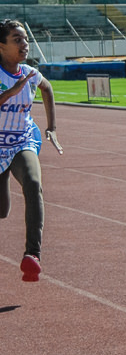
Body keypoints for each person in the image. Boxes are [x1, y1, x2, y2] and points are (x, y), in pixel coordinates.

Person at [0, 20, 57, 282]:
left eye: (25, 39)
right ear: (1, 46)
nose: (24, 45)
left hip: (22, 140)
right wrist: (10, 92)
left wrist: (51, 127)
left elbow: (47, 88)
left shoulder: (30, 73)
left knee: (34, 183)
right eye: (17, 40)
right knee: (2, 210)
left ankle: (32, 255)